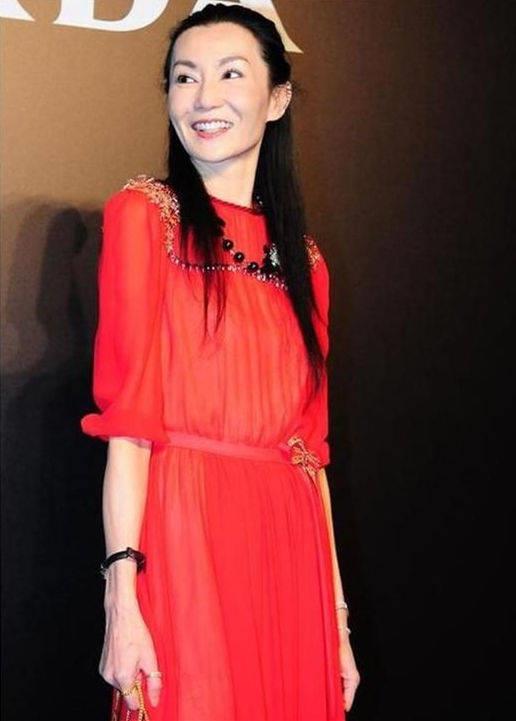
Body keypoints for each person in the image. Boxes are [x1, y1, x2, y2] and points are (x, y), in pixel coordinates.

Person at [81, 3, 360, 719]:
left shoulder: (307, 263)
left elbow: (311, 456)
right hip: (184, 536)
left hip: (289, 548)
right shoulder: (146, 216)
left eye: (230, 74)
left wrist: (337, 621)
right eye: (185, 77)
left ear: (277, 98)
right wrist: (122, 599)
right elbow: (129, 428)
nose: (203, 98)